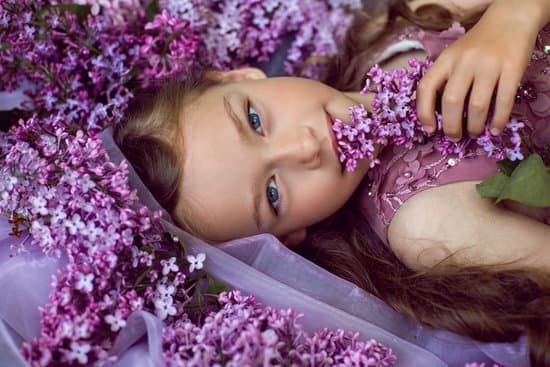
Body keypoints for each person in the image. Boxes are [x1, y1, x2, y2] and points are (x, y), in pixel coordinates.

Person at [114, 0, 550, 365]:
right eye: (272, 192)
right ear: (287, 236)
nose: (303, 148)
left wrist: (513, 17)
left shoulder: (401, 24)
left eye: (255, 120)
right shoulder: (429, 226)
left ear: (240, 77)